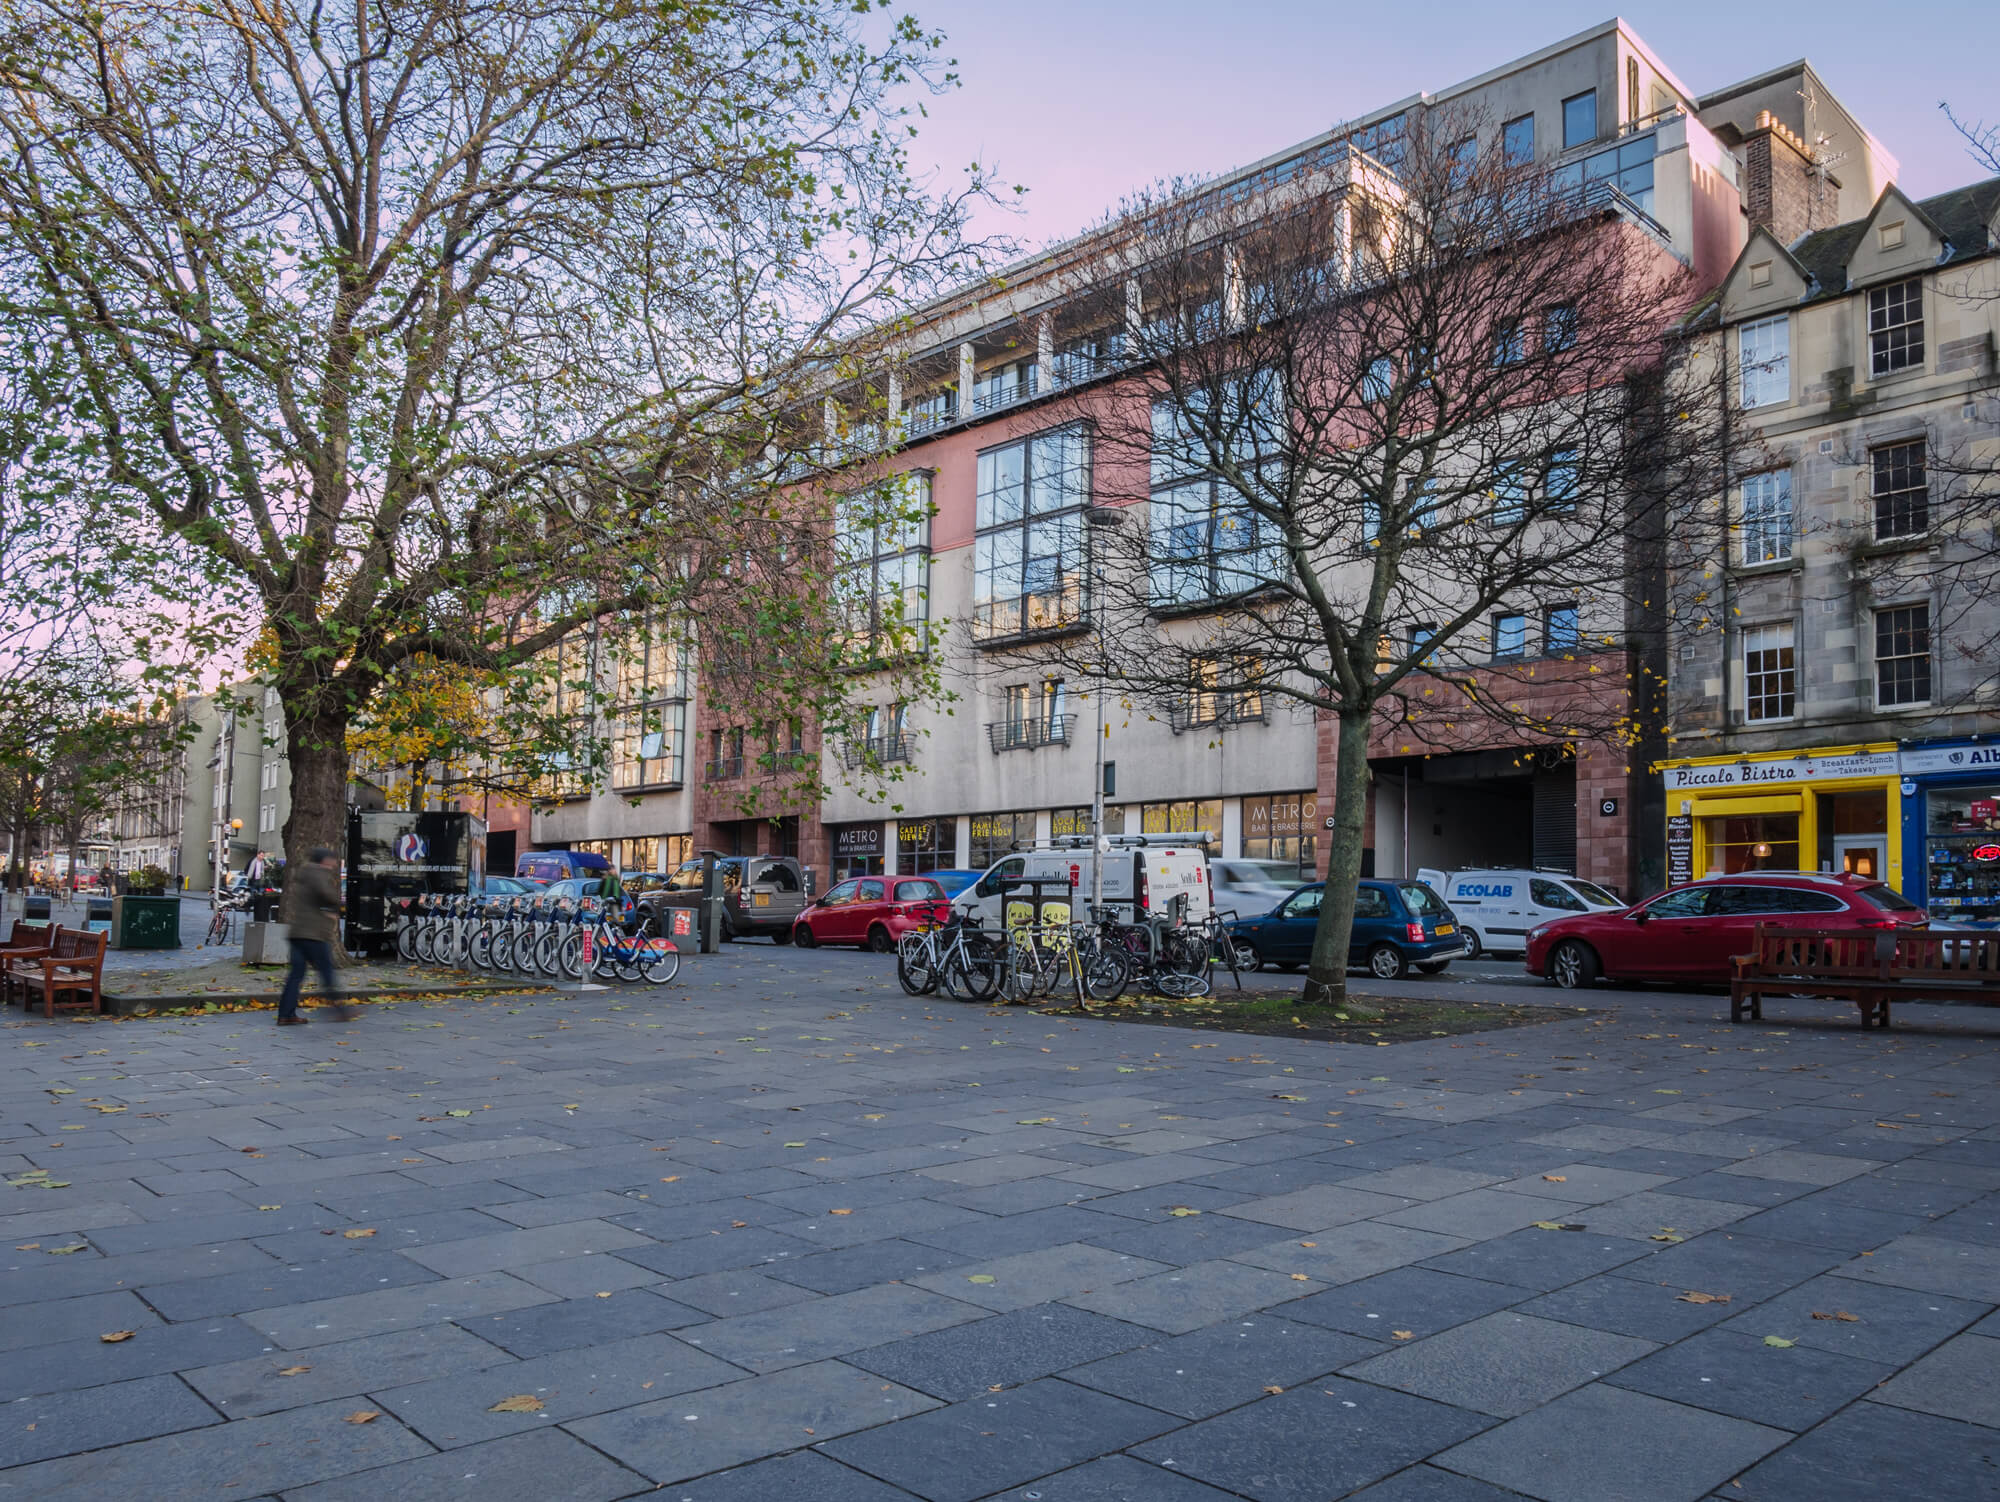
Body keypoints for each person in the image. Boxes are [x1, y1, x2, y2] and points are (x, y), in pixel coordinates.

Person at [277, 846, 352, 1026]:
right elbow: (326, 895)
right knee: (326, 971)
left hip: (297, 931)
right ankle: (341, 1010)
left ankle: (286, 1014)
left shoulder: (303, 874)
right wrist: (339, 904)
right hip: (314, 933)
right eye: (333, 860)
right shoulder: (318, 873)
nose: (335, 864)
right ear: (325, 860)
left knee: (296, 974)